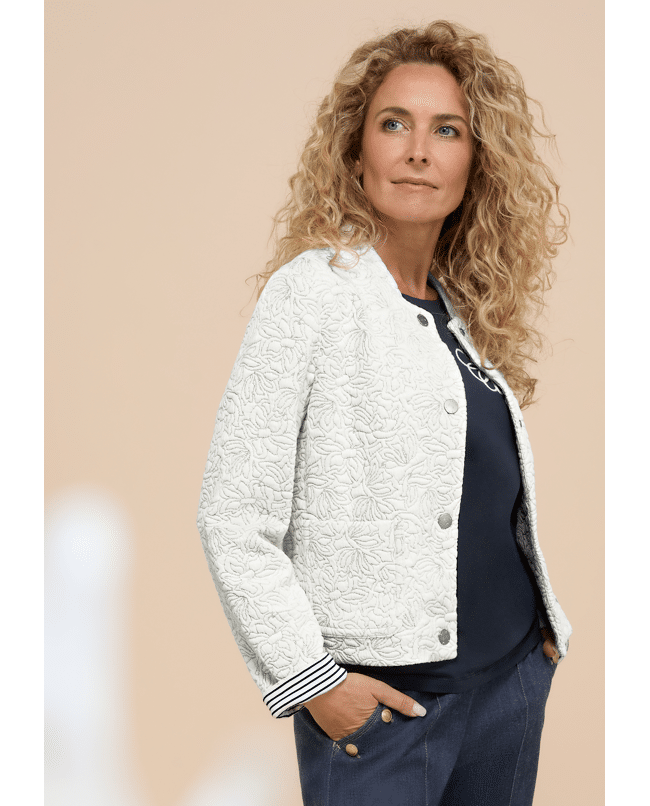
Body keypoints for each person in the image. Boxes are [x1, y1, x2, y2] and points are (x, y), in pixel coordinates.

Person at [196, 19, 572, 806]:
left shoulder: (460, 318)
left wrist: (538, 637)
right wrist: (313, 681)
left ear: (476, 163)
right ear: (356, 152)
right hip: (386, 714)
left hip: (507, 692)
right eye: (394, 124)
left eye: (448, 130)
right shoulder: (312, 294)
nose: (419, 150)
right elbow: (233, 514)